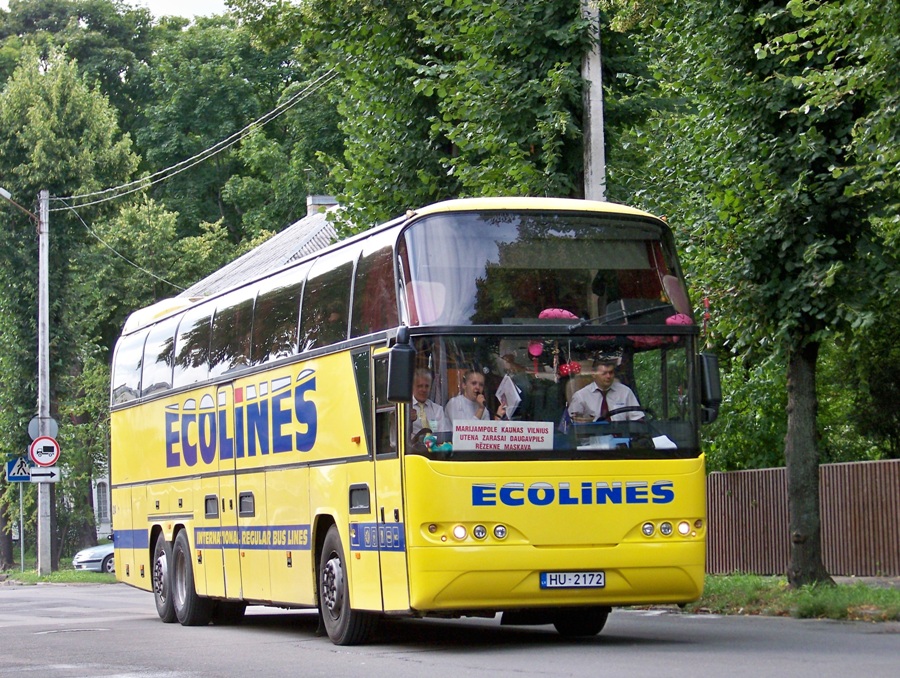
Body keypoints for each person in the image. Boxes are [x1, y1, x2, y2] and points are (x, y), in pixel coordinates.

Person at [567, 357, 643, 422]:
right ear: (593, 374)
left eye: (611, 372)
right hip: (593, 438)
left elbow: (637, 419)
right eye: (604, 373)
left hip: (622, 437)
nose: (608, 376)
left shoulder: (625, 392)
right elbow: (572, 423)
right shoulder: (581, 396)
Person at [410, 368, 448, 436]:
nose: (424, 390)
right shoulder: (405, 409)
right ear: (412, 387)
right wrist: (408, 421)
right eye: (420, 386)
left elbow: (442, 435)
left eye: (427, 386)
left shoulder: (437, 410)